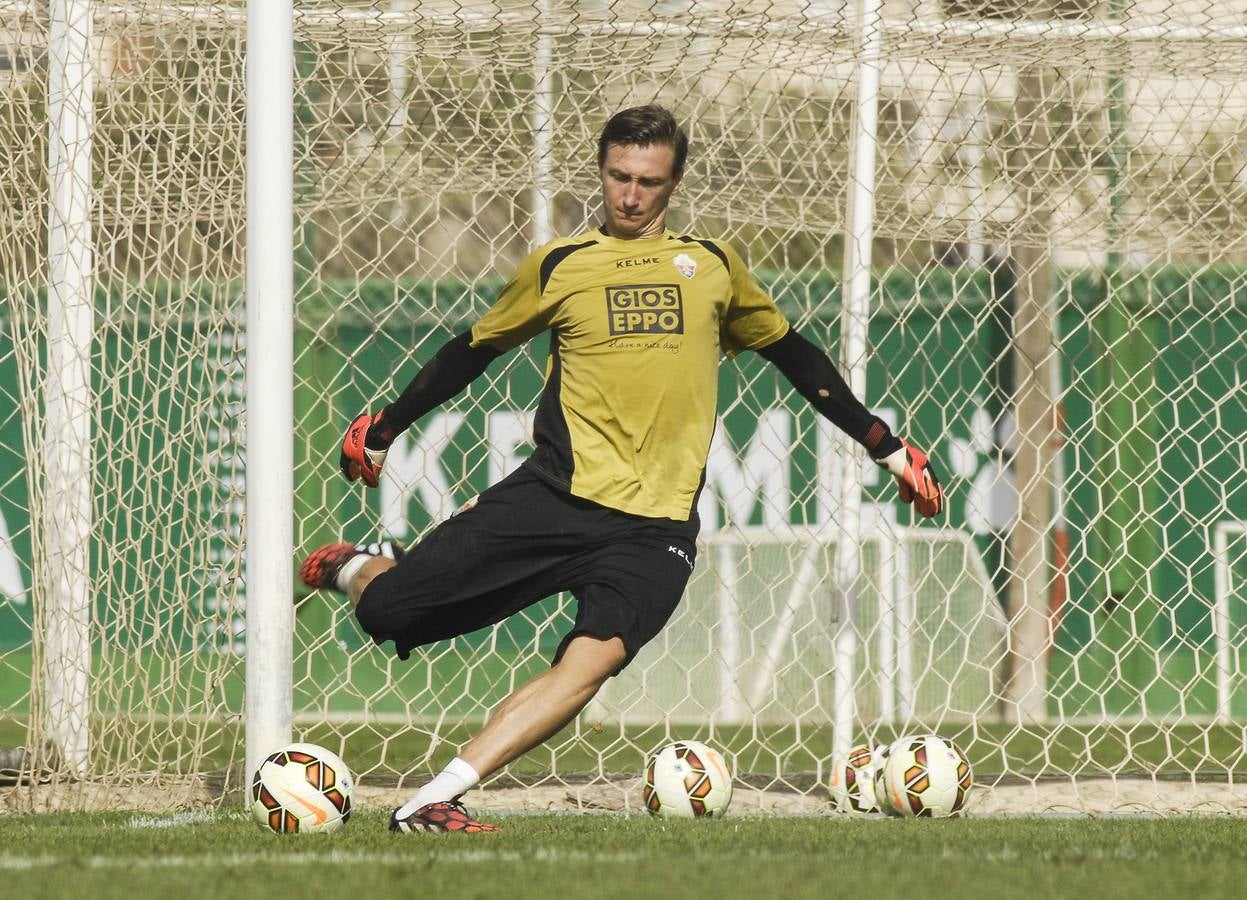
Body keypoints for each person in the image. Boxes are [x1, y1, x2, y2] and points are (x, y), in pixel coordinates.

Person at [299, 104, 943, 834]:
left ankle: (432, 798)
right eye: (617, 177)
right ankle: (359, 566)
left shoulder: (712, 266)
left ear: (673, 184)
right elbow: (473, 350)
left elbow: (793, 354)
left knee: (591, 660)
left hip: (655, 525)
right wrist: (383, 430)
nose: (630, 196)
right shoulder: (559, 264)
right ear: (601, 171)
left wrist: (883, 444)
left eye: (648, 181)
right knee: (388, 612)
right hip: (553, 497)